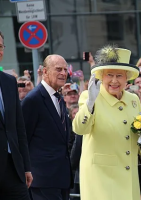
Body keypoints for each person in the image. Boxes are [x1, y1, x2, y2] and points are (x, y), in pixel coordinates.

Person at [72, 46, 141, 200]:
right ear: (101, 76)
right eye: (109, 75)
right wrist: (90, 103)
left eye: (119, 75)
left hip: (129, 177)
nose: (114, 80)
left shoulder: (133, 100)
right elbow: (80, 128)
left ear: (127, 78)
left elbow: (136, 141)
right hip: (101, 179)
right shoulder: (89, 96)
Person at [21, 54, 72, 200]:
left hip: (61, 179)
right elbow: (23, 139)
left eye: (65, 69)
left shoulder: (59, 98)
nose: (63, 73)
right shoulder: (33, 99)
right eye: (58, 69)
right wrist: (25, 171)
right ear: (45, 72)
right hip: (42, 179)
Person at [0, 30, 32, 200]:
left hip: (14, 169)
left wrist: (26, 167)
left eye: (0, 46)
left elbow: (19, 128)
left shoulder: (9, 81)